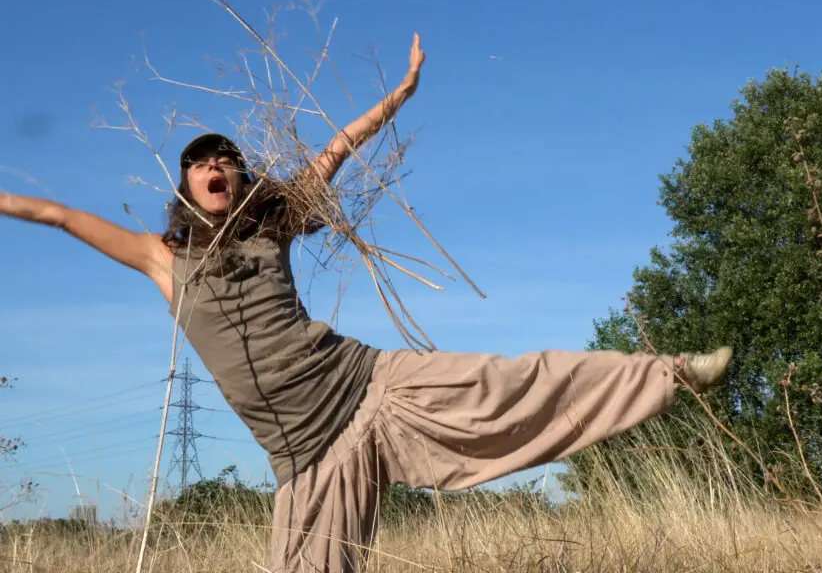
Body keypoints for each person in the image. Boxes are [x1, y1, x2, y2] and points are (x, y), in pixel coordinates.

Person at [0, 34, 732, 572]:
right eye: (198, 161)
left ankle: (667, 374)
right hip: (306, 457)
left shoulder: (274, 224)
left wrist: (402, 91)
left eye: (223, 156)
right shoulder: (164, 260)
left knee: (506, 384)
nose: (213, 165)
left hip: (368, 387)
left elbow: (334, 149)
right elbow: (58, 215)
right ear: (185, 186)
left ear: (240, 173)